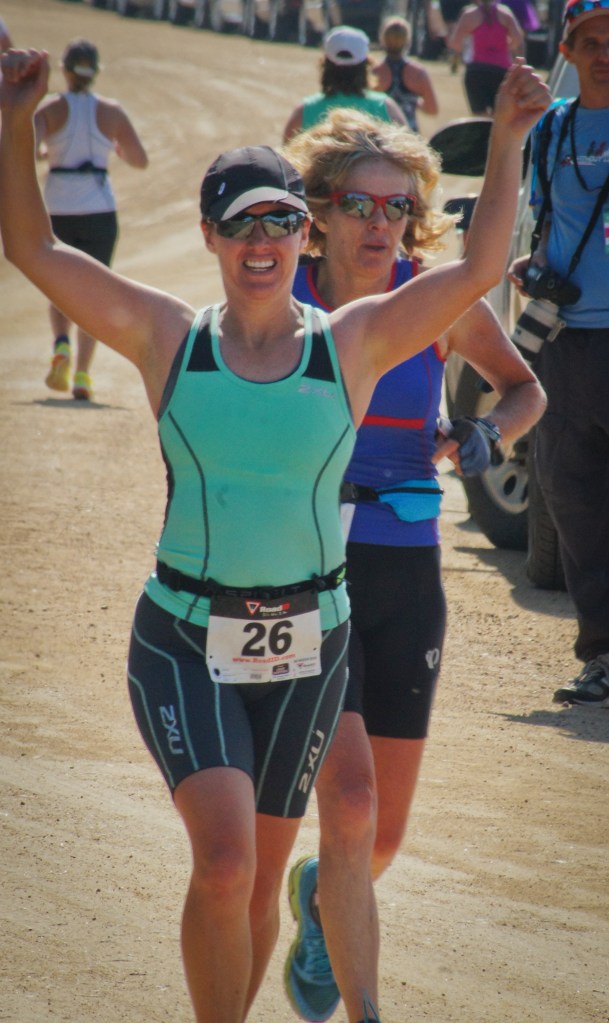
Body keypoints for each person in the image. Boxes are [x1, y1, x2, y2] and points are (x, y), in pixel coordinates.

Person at [0, 46, 550, 1023]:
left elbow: (481, 279)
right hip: (230, 616)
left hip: (352, 607)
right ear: (222, 234)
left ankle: (303, 948)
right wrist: (12, 123)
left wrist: (506, 139)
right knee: (265, 844)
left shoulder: (371, 330)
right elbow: (37, 254)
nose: (266, 240)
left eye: (282, 221)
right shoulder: (201, 333)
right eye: (245, 222)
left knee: (313, 862)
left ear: (304, 228)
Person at [281, 107, 547, 1023]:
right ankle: (365, 1005)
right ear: (317, 210)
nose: (378, 222)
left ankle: (322, 895)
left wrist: (480, 438)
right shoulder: (283, 294)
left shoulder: (433, 299)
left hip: (408, 571)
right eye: (357, 202)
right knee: (348, 799)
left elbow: (526, 388)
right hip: (309, 571)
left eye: (396, 205)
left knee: (377, 834)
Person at [508, 0, 609, 710]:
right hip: (567, 346)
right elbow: (543, 219)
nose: (605, 53)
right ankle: (599, 657)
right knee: (573, 504)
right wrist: (528, 268)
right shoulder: (548, 133)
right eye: (592, 42)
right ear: (567, 52)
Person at [35, 38, 148, 401]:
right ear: (95, 72)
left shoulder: (49, 110)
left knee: (59, 283)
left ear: (65, 70)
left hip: (58, 205)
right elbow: (139, 159)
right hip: (99, 208)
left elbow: (28, 148)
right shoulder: (111, 112)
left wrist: (45, 150)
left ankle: (61, 343)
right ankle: (83, 373)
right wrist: (114, 148)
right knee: (95, 289)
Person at [282, 25, 407, 142]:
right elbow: (410, 154)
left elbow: (285, 159)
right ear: (366, 65)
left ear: (325, 64)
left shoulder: (304, 111)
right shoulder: (386, 108)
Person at [449, 0, 524, 115]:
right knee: (499, 118)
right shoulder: (505, 13)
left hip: (476, 71)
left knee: (480, 118)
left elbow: (455, 43)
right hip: (501, 72)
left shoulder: (470, 15)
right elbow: (518, 39)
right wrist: (506, 46)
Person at [372, 15, 439, 132]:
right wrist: (415, 102)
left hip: (382, 136)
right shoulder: (418, 73)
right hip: (409, 136)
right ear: (407, 39)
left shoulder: (374, 72)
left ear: (383, 38)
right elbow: (432, 109)